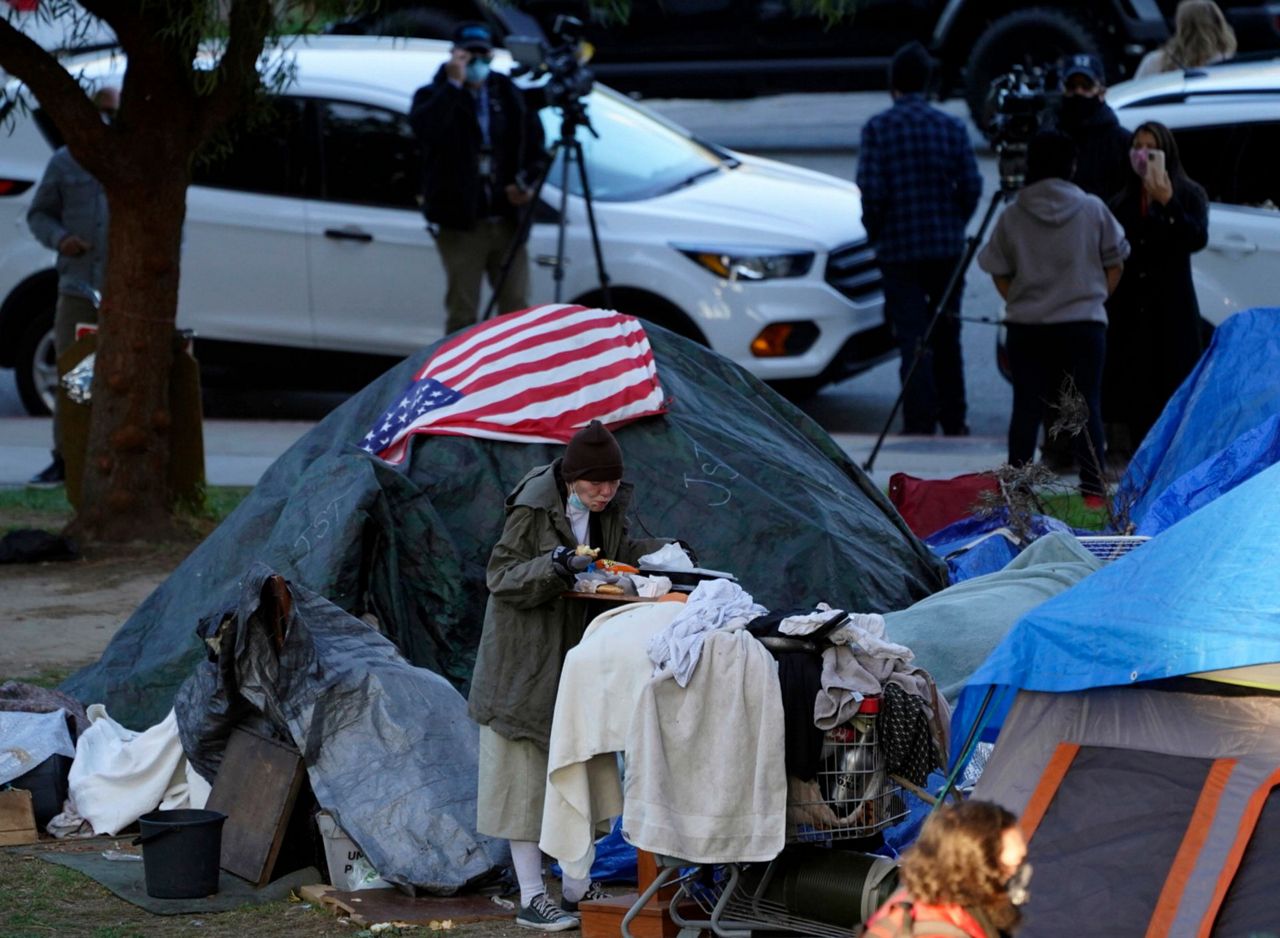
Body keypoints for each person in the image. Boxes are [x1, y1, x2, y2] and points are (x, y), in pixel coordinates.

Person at [466, 420, 679, 931]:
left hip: (577, 657)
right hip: (522, 660)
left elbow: (618, 556)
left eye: (611, 483)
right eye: (594, 485)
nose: (604, 493)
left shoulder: (609, 504)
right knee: (522, 779)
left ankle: (579, 885)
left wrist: (666, 553)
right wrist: (555, 564)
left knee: (581, 765)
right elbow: (502, 577)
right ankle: (532, 895)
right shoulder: (535, 504)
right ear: (572, 478)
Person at [977, 130, 1129, 500]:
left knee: (1026, 408)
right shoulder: (1092, 208)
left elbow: (994, 266)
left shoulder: (1014, 214)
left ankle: (1017, 488)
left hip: (1027, 326)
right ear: (1070, 165)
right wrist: (1094, 297)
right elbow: (1116, 260)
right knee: (1086, 405)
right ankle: (1093, 489)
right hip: (1084, 325)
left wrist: (1018, 297)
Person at [857, 41, 982, 436]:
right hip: (946, 249)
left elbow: (872, 192)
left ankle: (919, 423)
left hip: (899, 251)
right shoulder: (951, 127)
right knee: (948, 334)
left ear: (894, 83)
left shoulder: (878, 129)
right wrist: (953, 223)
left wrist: (877, 233)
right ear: (927, 82)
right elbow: (973, 186)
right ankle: (955, 419)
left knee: (912, 338)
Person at [409, 22, 546, 336]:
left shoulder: (506, 93)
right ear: (455, 55)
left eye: (483, 54)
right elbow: (425, 131)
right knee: (463, 312)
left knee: (516, 308)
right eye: (468, 55)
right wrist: (453, 86)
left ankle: (513, 377)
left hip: (507, 220)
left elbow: (534, 146)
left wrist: (526, 184)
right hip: (462, 224)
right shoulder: (434, 94)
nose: (477, 62)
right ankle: (461, 379)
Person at [25, 86, 118, 487]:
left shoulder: (132, 160)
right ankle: (66, 457)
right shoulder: (65, 162)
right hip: (78, 285)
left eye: (113, 113)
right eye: (100, 112)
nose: (106, 122)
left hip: (123, 289)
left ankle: (118, 460)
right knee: (74, 375)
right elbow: (39, 214)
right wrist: (62, 239)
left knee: (123, 375)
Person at [1103, 122, 1209, 456]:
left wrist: (1168, 203)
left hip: (1172, 314)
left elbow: (1195, 238)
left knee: (1174, 398)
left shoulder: (1189, 194)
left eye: (1152, 147)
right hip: (1131, 316)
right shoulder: (1121, 201)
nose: (1143, 155)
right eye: (1138, 146)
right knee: (1136, 403)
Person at [863, 800, 1030, 938]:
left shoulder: (938, 895)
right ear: (978, 871)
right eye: (1014, 866)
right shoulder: (935, 931)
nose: (1022, 875)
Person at [1134, 0, 1237, 78]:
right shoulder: (1230, 64)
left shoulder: (1153, 61)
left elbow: (1134, 94)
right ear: (1219, 24)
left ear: (1180, 25)